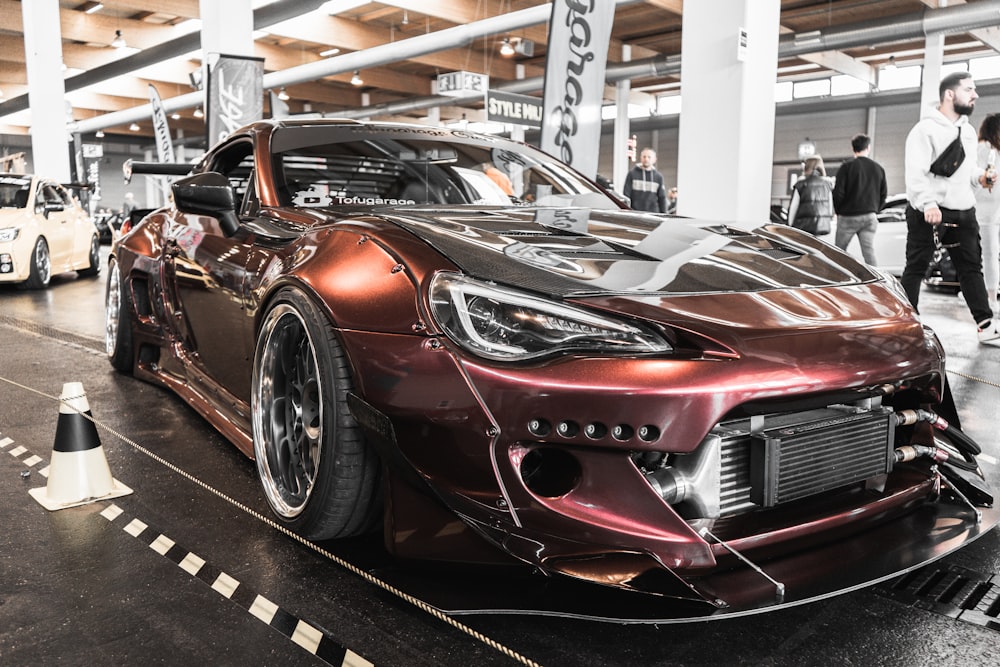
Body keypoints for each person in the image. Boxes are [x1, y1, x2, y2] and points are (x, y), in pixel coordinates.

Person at [902, 71, 1000, 345]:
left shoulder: (968, 132)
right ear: (949, 94)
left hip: (964, 211)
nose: (975, 95)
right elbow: (916, 174)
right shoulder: (924, 130)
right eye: (969, 89)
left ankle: (985, 324)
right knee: (916, 268)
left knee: (971, 267)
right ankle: (907, 324)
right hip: (930, 212)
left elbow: (966, 172)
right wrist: (928, 204)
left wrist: (981, 177)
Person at [833, 134, 887, 265]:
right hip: (869, 217)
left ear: (853, 149)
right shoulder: (878, 168)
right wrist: (874, 210)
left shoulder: (846, 167)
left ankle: (839, 280)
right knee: (869, 252)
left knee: (838, 253)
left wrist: (839, 211)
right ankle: (878, 280)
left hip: (848, 217)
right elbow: (883, 194)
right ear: (868, 148)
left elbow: (838, 192)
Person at [975, 113, 1000, 314]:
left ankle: (987, 296)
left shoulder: (980, 149)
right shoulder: (992, 151)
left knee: (982, 255)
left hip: (981, 209)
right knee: (991, 254)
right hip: (993, 209)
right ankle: (989, 295)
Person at [787, 156, 834, 236]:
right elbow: (829, 208)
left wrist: (790, 225)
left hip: (802, 228)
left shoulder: (800, 184)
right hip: (821, 226)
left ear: (806, 167)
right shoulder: (827, 184)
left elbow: (794, 207)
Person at [623, 147, 667, 213]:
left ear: (654, 159)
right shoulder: (632, 174)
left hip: (653, 214)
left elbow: (662, 198)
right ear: (641, 158)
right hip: (635, 213)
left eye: (649, 157)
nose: (646, 159)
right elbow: (626, 195)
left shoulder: (658, 177)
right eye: (644, 157)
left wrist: (664, 214)